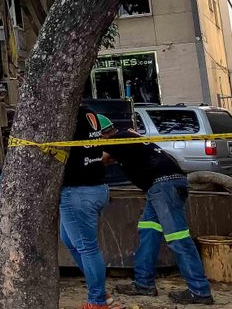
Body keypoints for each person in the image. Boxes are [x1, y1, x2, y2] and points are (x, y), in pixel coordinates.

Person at [97, 114, 214, 305]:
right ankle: (144, 283)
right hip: (160, 187)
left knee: (178, 238)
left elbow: (101, 160)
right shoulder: (129, 138)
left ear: (101, 135)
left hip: (163, 187)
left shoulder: (119, 140)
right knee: (149, 231)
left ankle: (200, 291)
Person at [61, 108, 115, 309]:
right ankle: (100, 291)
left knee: (87, 248)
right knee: (70, 240)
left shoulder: (65, 115)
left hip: (78, 191)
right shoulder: (89, 114)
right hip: (97, 187)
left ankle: (97, 301)